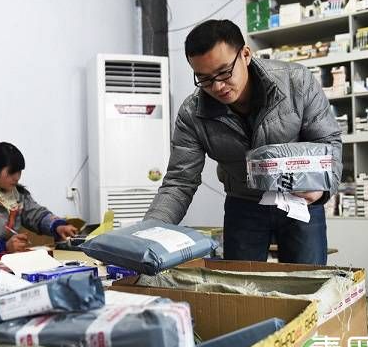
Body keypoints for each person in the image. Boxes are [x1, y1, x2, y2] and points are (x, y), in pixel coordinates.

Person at [144, 19, 342, 265]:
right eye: (204, 79)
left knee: (308, 281)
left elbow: (328, 141)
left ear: (246, 54)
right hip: (244, 204)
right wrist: (149, 234)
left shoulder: (296, 82)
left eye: (224, 72)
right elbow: (179, 181)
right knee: (241, 282)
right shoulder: (192, 113)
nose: (218, 86)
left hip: (301, 202)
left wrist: (322, 189)